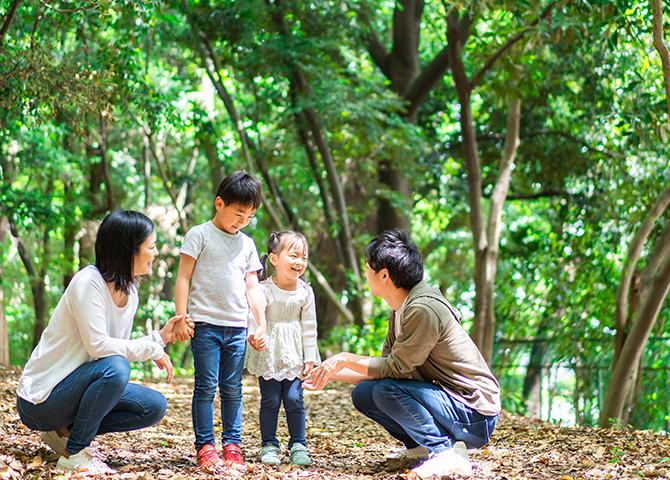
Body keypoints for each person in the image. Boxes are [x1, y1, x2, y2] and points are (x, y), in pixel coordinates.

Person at [304, 229, 501, 478]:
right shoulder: (399, 308)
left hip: (475, 413)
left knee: (386, 391)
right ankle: (421, 448)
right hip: (451, 404)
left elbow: (395, 370)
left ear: (384, 275)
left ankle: (446, 453)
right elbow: (384, 370)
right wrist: (327, 374)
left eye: (367, 267)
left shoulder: (422, 309)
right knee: (364, 394)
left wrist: (345, 358)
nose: (365, 273)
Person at [16, 210, 193, 475]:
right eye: (151, 247)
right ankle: (73, 452)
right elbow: (99, 348)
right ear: (128, 251)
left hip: (74, 389)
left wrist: (160, 338)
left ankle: (65, 432)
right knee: (118, 369)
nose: (156, 253)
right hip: (40, 401)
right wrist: (149, 348)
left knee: (154, 406)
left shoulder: (130, 292)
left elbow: (115, 347)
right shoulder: (88, 283)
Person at [173, 171, 268, 471]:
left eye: (250, 216)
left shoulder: (248, 244)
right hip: (205, 325)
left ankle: (232, 444)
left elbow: (252, 287)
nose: (242, 221)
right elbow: (183, 276)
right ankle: (205, 446)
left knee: (232, 388)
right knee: (205, 386)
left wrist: (260, 324)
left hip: (238, 328)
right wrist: (180, 316)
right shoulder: (199, 234)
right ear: (219, 203)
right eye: (238, 213)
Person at [244, 231, 320, 466]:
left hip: (294, 354)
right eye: (294, 255)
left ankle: (298, 444)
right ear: (274, 259)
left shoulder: (305, 292)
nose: (299, 262)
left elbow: (309, 327)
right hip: (269, 353)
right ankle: (269, 445)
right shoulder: (264, 289)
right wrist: (254, 336)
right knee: (270, 399)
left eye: (304, 258)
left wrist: (310, 358)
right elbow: (253, 317)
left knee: (295, 398)